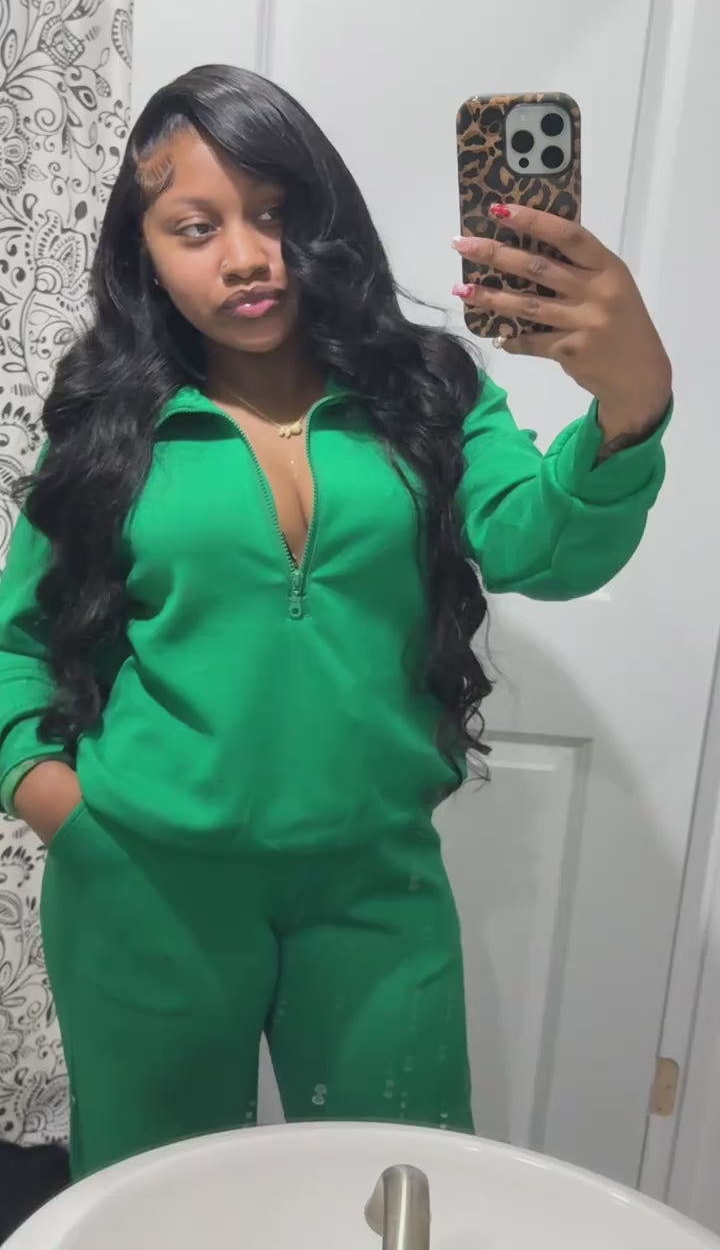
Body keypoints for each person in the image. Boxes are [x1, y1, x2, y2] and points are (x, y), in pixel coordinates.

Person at [0, 65, 672, 1181]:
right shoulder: (105, 421)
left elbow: (542, 547)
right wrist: (60, 809)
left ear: (325, 219)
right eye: (196, 227)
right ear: (143, 251)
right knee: (158, 1206)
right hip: (147, 884)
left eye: (274, 213)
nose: (247, 256)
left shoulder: (428, 391)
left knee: (395, 1192)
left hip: (374, 890)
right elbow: (16, 646)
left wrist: (631, 403)